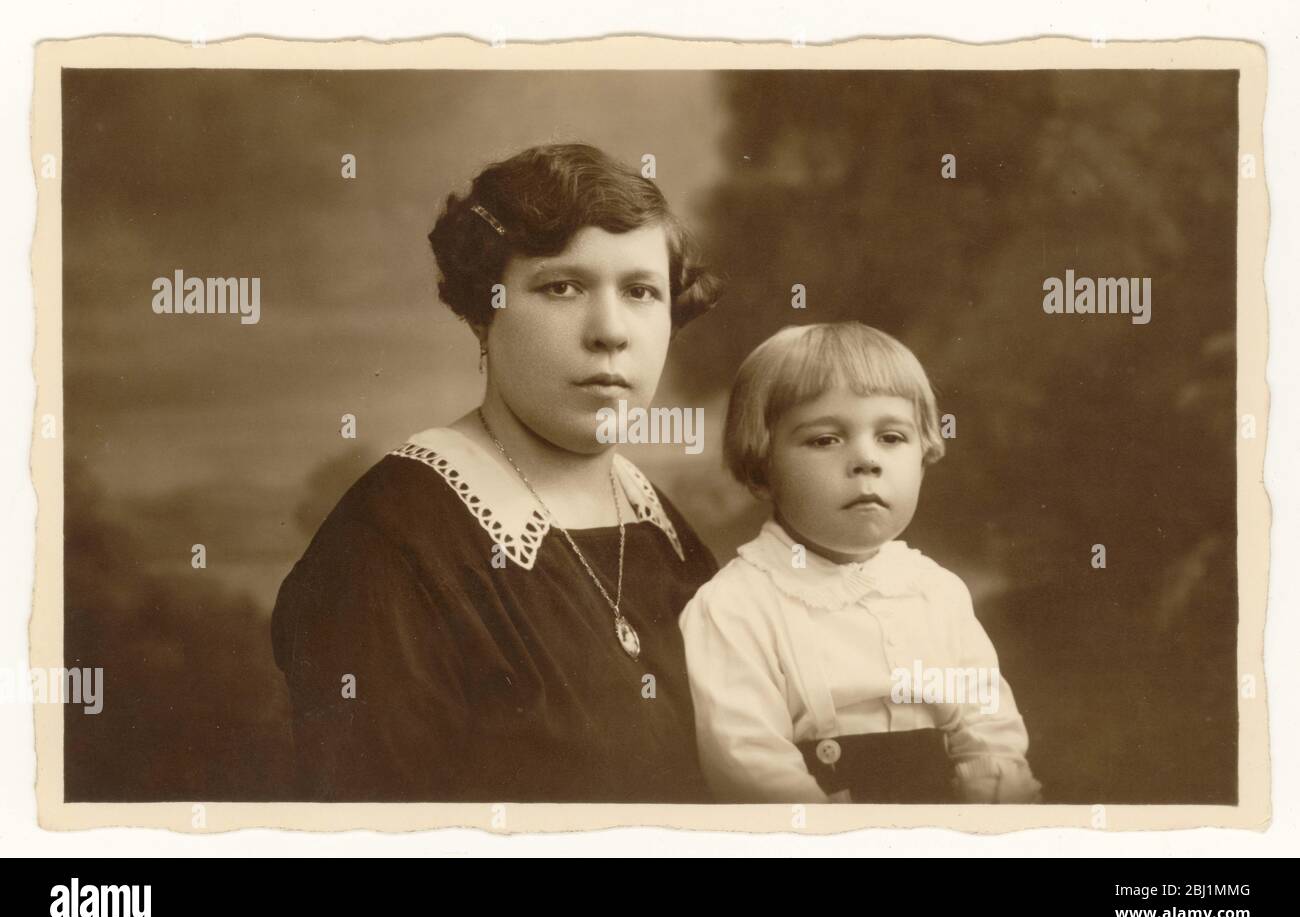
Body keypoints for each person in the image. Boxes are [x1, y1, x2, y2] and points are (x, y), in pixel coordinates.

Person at [271, 143, 724, 802]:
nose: (610, 331)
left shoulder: (662, 530)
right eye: (562, 286)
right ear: (486, 310)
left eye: (640, 291)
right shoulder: (387, 548)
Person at [679, 322, 1043, 804]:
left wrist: (995, 817)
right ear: (761, 470)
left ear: (924, 454)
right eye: (826, 439)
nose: (866, 460)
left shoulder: (936, 592)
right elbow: (751, 763)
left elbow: (987, 726)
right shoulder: (733, 608)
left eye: (892, 437)